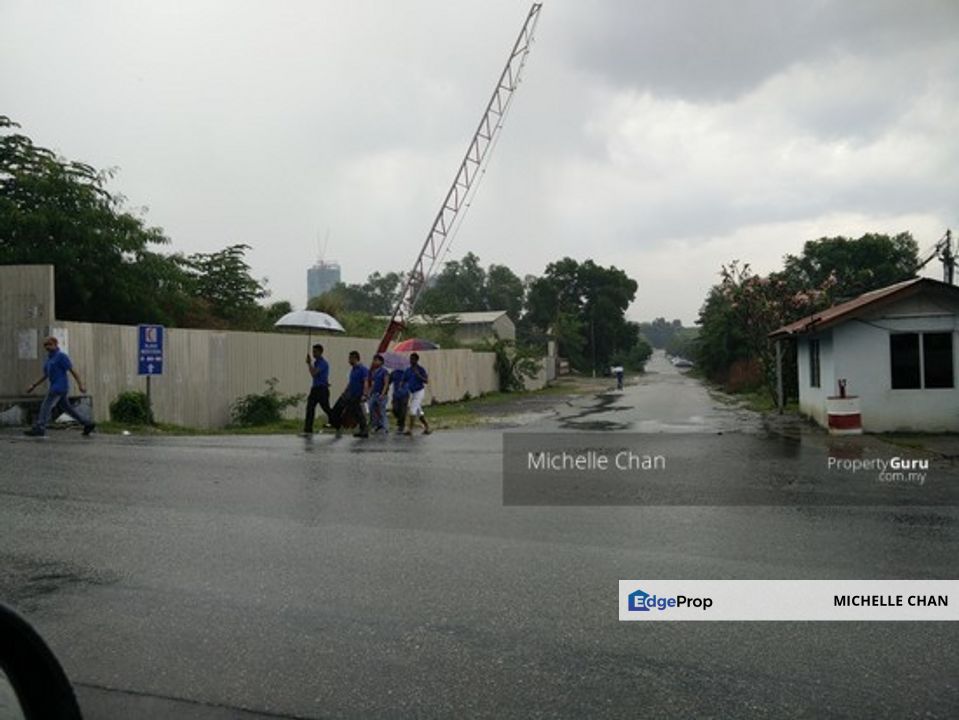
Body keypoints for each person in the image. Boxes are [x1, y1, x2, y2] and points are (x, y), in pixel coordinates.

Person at [24, 336, 95, 437]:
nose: (47, 347)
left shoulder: (61, 356)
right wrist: (33, 385)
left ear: (56, 344)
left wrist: (80, 385)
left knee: (46, 406)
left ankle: (40, 427)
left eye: (49, 344)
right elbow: (45, 376)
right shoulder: (48, 360)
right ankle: (87, 423)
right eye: (45, 345)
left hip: (59, 387)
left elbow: (73, 371)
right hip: (57, 387)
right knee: (67, 408)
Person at [338, 350, 369, 438]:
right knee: (356, 412)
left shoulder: (363, 369)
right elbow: (351, 383)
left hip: (358, 394)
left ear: (355, 358)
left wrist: (365, 394)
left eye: (350, 358)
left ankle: (364, 430)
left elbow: (366, 382)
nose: (349, 360)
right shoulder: (353, 370)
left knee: (358, 412)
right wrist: (345, 391)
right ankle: (362, 429)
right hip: (352, 394)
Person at [303, 343, 332, 434]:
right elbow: (313, 374)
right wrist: (310, 364)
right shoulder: (316, 363)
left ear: (320, 352)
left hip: (322, 389)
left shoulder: (323, 363)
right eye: (313, 351)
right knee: (310, 407)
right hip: (315, 388)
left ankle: (336, 422)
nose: (313, 354)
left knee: (326, 408)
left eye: (315, 352)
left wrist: (309, 364)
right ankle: (308, 428)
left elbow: (314, 373)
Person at [402, 352, 431, 436]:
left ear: (417, 360)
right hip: (412, 392)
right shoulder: (408, 370)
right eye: (410, 359)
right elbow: (404, 379)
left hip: (419, 391)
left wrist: (418, 375)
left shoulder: (420, 369)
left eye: (413, 359)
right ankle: (427, 427)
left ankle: (410, 429)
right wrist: (402, 385)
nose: (411, 361)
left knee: (412, 410)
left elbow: (426, 381)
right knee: (419, 412)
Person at [366, 354, 390, 433]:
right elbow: (373, 384)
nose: (374, 362)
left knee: (381, 411)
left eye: (376, 360)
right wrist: (369, 393)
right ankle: (375, 425)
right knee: (372, 410)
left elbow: (386, 383)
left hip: (381, 394)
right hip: (374, 394)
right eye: (374, 360)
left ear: (381, 362)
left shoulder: (384, 371)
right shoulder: (373, 372)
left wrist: (383, 394)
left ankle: (385, 427)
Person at [390, 366, 409, 431]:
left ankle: (401, 424)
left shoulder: (406, 372)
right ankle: (399, 419)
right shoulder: (394, 373)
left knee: (403, 410)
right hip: (396, 394)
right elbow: (389, 381)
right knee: (395, 409)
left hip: (404, 393)